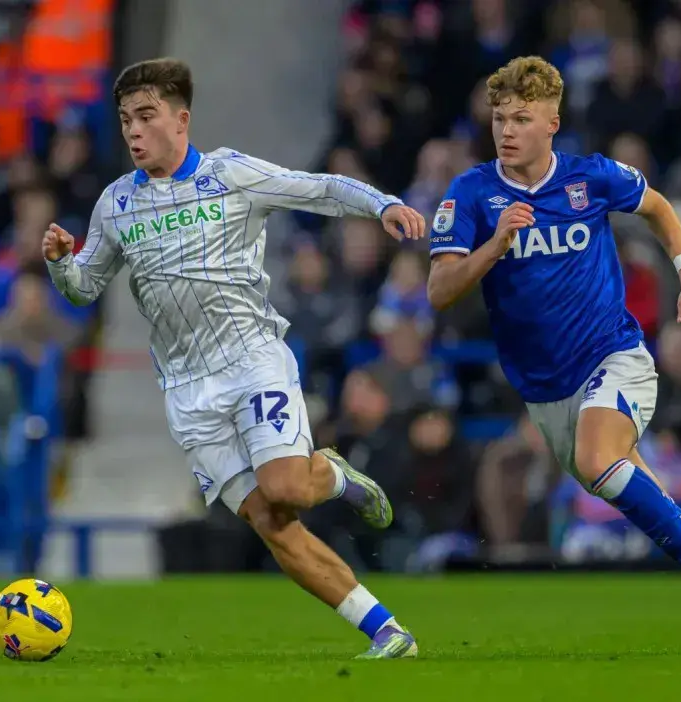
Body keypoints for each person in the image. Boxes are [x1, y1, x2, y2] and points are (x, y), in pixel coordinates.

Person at [43, 59, 425, 659]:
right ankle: (387, 632)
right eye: (125, 120)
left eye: (145, 116)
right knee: (270, 522)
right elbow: (84, 288)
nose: (133, 131)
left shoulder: (231, 175)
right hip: (187, 391)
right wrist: (62, 262)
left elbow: (319, 188)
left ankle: (333, 476)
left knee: (287, 488)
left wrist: (382, 205)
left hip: (252, 361)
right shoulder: (116, 204)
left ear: (181, 120)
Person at [426, 56, 681, 652]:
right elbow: (439, 291)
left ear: (552, 124)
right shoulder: (471, 193)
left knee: (599, 460)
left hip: (613, 355)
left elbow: (659, 207)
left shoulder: (589, 177)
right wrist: (494, 245)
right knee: (633, 490)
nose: (507, 131)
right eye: (499, 119)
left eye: (521, 119)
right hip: (545, 392)